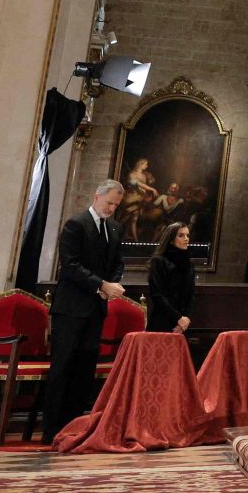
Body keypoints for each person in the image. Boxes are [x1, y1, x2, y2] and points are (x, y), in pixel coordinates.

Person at [43, 180, 127, 439]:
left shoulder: (114, 229)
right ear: (96, 196)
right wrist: (101, 285)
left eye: (116, 204)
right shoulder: (76, 225)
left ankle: (76, 429)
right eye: (109, 202)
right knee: (63, 368)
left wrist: (111, 284)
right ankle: (53, 430)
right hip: (70, 309)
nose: (112, 208)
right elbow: (70, 265)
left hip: (94, 309)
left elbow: (117, 264)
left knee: (83, 371)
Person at [145, 221, 196, 335]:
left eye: (187, 235)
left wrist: (185, 320)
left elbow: (191, 295)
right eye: (181, 235)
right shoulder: (158, 261)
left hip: (183, 325)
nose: (186, 238)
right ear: (171, 239)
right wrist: (178, 318)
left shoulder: (189, 264)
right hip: (162, 321)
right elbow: (157, 295)